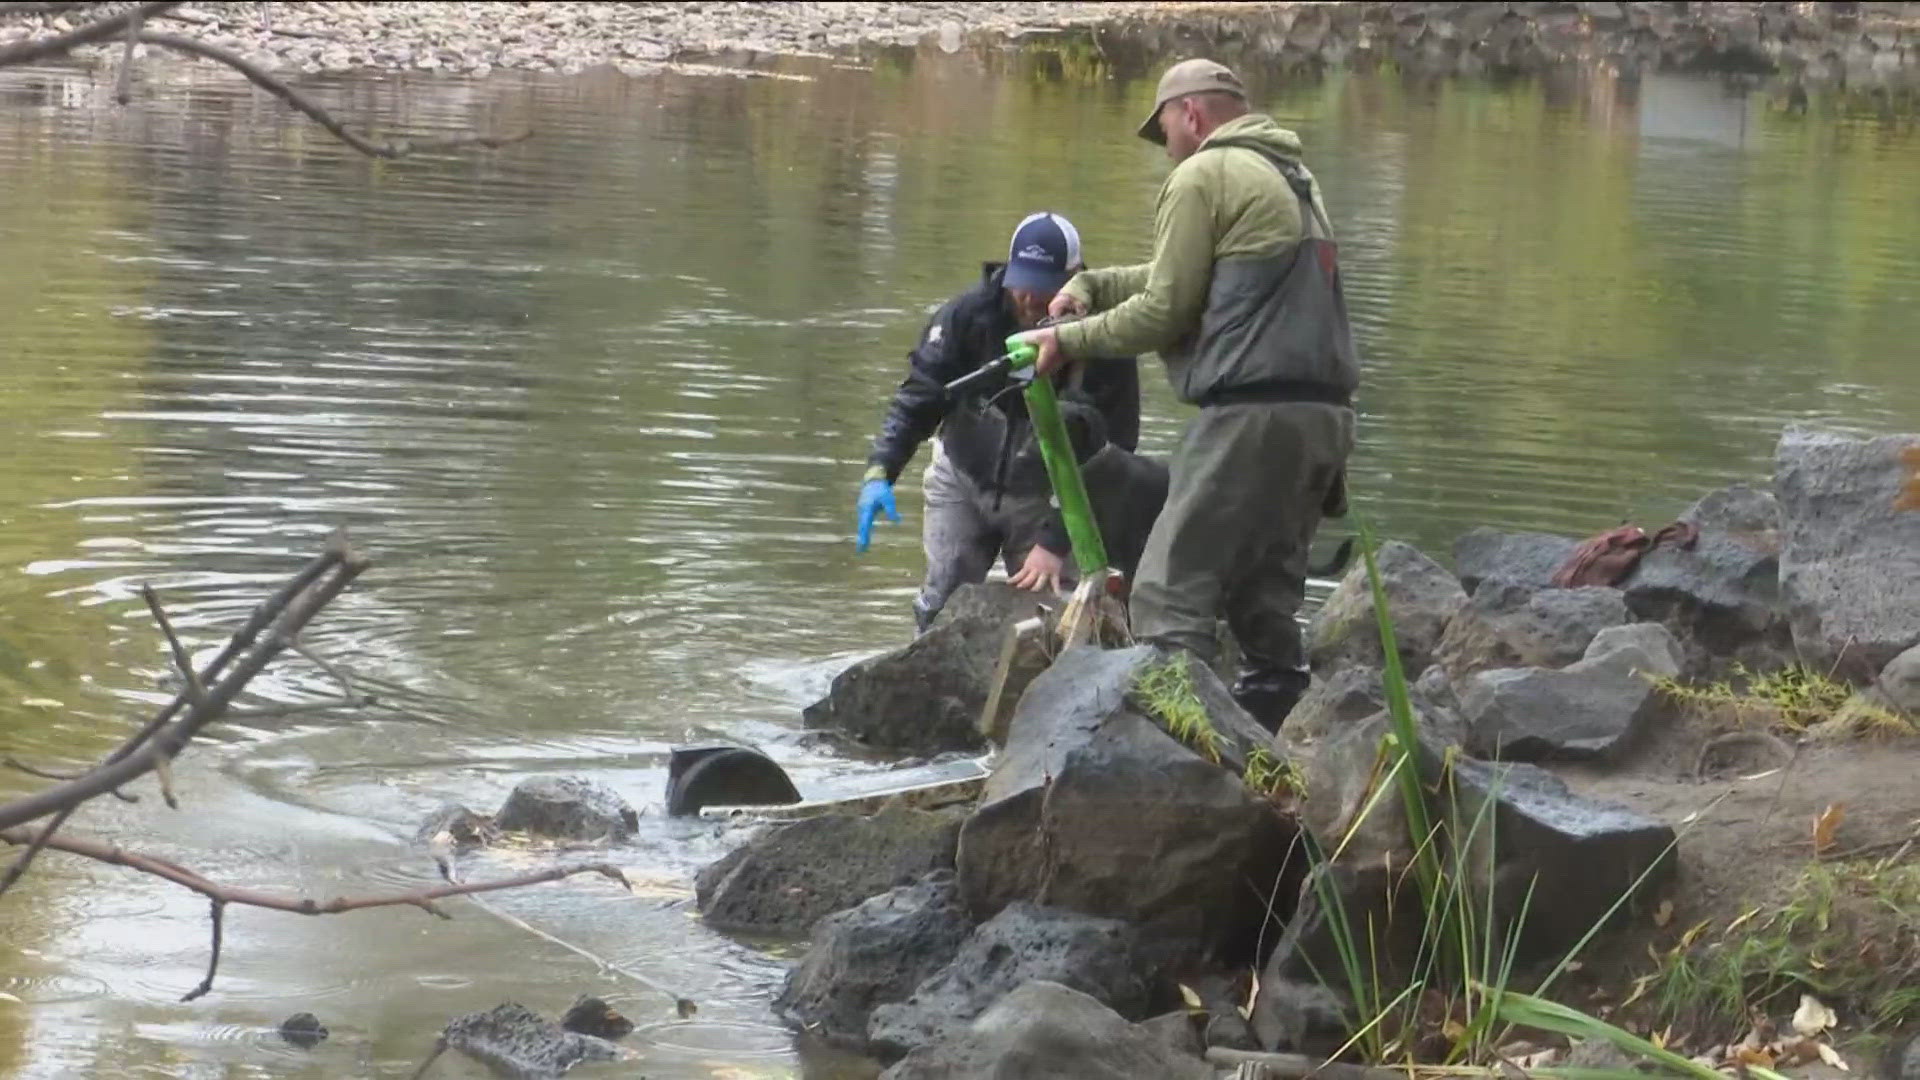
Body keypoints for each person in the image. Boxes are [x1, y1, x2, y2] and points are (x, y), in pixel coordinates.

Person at [1009, 59, 1361, 730]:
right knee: (1263, 603)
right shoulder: (1292, 176)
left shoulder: (1202, 174)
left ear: (1191, 116)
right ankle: (1274, 747)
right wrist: (1095, 283)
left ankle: (1181, 760)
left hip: (1250, 419)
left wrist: (1069, 339)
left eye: (1164, 127)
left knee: (1168, 596)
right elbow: (1186, 277)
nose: (1165, 144)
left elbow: (1165, 313)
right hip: (1323, 423)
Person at [855, 212, 1159, 633]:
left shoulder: (1107, 339)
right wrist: (880, 470)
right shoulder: (968, 314)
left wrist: (1055, 541)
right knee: (942, 599)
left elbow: (1116, 451)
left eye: (1045, 286)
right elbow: (920, 396)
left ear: (1074, 279)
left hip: (1050, 493)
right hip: (963, 474)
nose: (1031, 299)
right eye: (1022, 283)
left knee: (1050, 617)